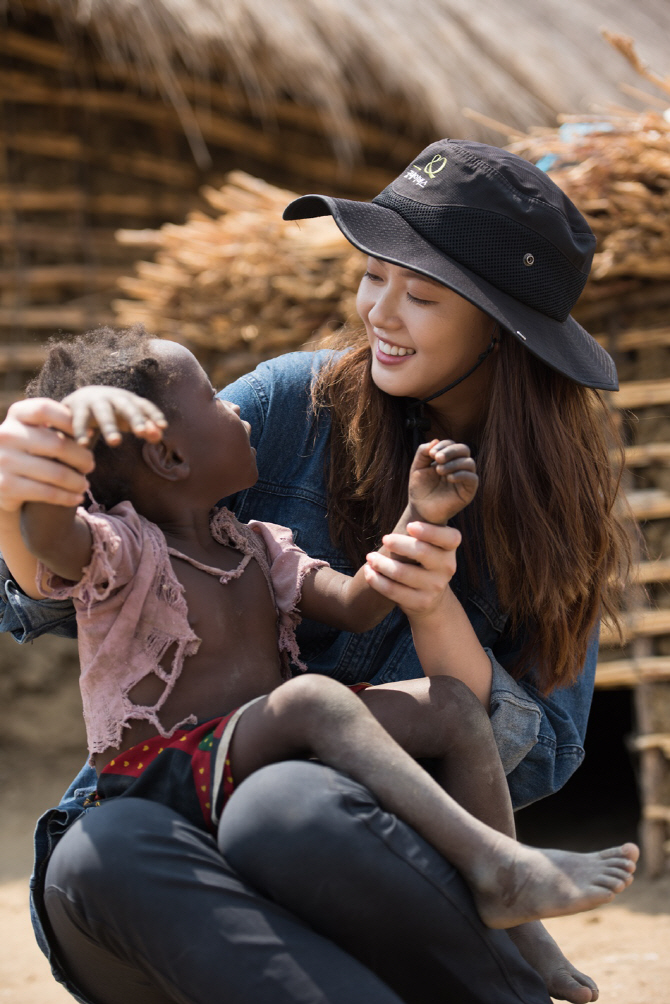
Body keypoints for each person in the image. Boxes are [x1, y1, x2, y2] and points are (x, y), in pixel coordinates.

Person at [0, 139, 632, 1004]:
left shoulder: (554, 515)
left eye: (422, 294)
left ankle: (511, 938)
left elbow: (535, 757)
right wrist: (24, 497)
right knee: (101, 855)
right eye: (372, 274)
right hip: (164, 843)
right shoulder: (290, 402)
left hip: (360, 863)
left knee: (289, 811)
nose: (379, 310)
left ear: (503, 328)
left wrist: (431, 607)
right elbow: (68, 575)